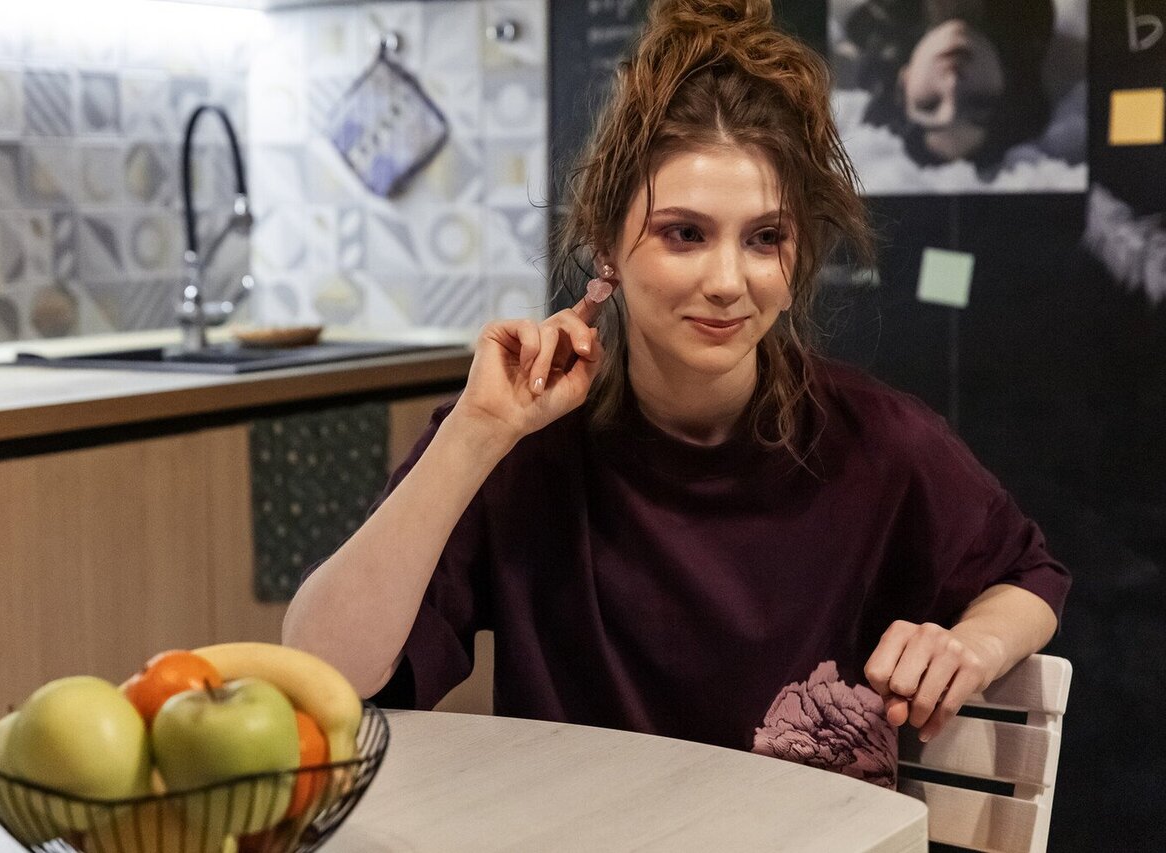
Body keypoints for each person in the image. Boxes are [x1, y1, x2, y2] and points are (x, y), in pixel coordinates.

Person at [283, 0, 1070, 788]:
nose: (727, 281)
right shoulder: (522, 446)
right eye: (684, 233)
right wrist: (476, 430)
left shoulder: (877, 443)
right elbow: (325, 672)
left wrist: (973, 644)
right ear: (606, 245)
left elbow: (1026, 575)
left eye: (765, 237)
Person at [843, 0, 1057, 170]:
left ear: (903, 81)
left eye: (929, 103)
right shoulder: (1031, 14)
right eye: (978, 101)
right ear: (1006, 81)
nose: (953, 83)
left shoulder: (874, 17)